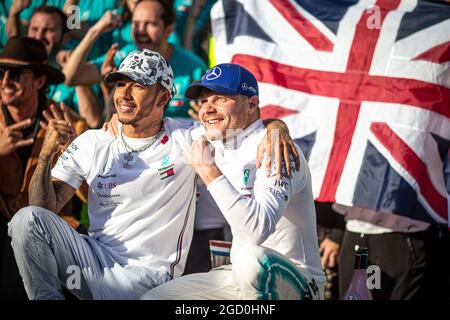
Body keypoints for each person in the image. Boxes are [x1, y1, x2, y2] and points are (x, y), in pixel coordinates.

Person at [141, 63, 326, 300]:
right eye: (205, 101)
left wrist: (209, 171)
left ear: (251, 104)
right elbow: (154, 130)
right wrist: (115, 126)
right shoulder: (212, 137)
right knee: (153, 299)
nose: (208, 108)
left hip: (300, 282)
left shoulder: (276, 146)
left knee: (252, 260)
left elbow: (255, 231)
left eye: (219, 99)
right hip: (238, 276)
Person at [0, 36, 87, 299]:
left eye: (15, 74)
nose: (5, 83)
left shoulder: (72, 124)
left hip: (53, 228)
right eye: (1, 73)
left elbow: (92, 196)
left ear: (39, 81)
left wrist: (73, 152)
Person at [63, 0, 207, 120]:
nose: (141, 31)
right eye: (136, 23)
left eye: (150, 24)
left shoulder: (195, 68)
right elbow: (70, 77)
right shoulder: (125, 58)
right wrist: (95, 31)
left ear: (169, 30)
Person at [7, 4, 103, 128]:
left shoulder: (78, 68)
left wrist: (74, 74)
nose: (39, 36)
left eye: (49, 30)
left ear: (65, 37)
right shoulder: (11, 71)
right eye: (34, 29)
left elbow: (93, 120)